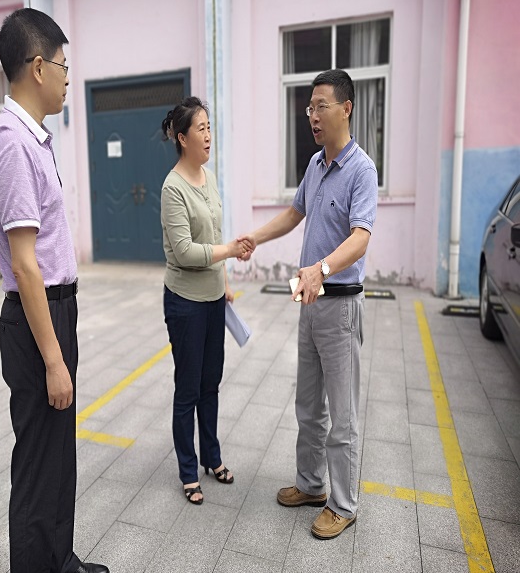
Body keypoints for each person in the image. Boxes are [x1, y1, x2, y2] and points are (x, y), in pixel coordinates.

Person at [0, 8, 109, 573]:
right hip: (37, 321)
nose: (66, 77)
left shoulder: (34, 139)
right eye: (62, 66)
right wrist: (54, 361)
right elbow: (25, 265)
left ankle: (59, 561)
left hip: (56, 311)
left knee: (59, 454)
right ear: (38, 67)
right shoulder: (12, 145)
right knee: (38, 463)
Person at [239, 69, 378, 539]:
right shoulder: (316, 165)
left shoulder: (362, 170)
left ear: (346, 108)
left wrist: (322, 268)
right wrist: (254, 238)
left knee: (343, 413)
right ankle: (311, 484)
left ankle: (343, 504)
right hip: (309, 303)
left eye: (321, 106)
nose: (313, 116)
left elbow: (360, 238)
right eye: (309, 108)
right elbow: (294, 213)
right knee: (308, 406)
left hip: (339, 307)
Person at [160, 97, 250, 505]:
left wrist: (225, 280)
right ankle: (187, 470)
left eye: (209, 127)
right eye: (201, 129)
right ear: (182, 138)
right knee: (188, 388)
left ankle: (212, 457)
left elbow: (214, 234)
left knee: (210, 383)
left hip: (214, 300)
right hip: (185, 303)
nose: (209, 136)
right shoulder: (172, 188)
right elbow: (184, 251)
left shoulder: (209, 178)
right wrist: (229, 251)